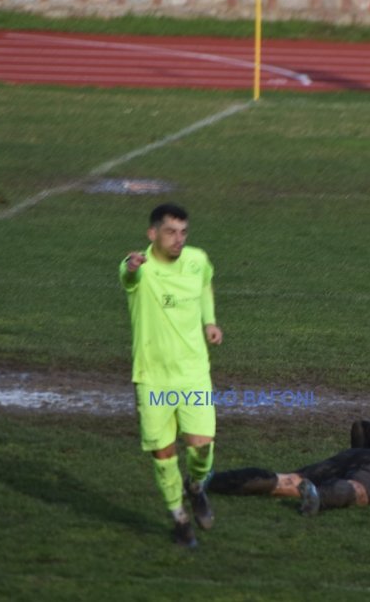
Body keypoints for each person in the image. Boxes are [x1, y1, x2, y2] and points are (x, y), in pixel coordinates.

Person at [119, 202, 224, 548]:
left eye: (183, 232)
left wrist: (209, 321)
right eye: (170, 232)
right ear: (152, 234)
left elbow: (205, 285)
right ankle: (179, 519)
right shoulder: (139, 267)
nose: (179, 239)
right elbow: (128, 276)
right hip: (153, 378)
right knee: (164, 455)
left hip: (193, 373)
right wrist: (131, 266)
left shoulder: (197, 259)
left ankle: (196, 486)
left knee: (202, 450)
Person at [207, 420, 370, 515]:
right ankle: (319, 497)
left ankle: (212, 481)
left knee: (286, 480)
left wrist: (360, 457)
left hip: (357, 456)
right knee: (357, 489)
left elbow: (362, 427)